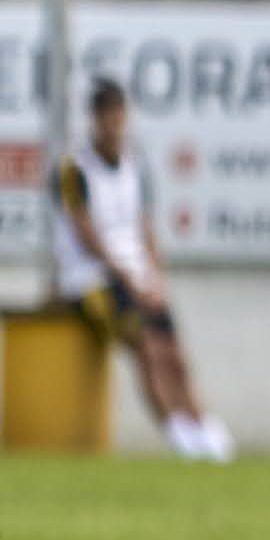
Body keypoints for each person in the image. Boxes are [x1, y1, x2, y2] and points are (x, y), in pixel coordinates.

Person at [52, 78, 229, 460]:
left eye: (119, 113)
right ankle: (180, 437)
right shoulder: (74, 168)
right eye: (106, 114)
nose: (114, 122)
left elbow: (145, 227)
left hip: (138, 277)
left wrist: (154, 276)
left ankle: (209, 432)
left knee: (174, 354)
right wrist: (128, 276)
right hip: (94, 279)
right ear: (94, 118)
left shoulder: (134, 164)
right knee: (146, 350)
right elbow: (86, 234)